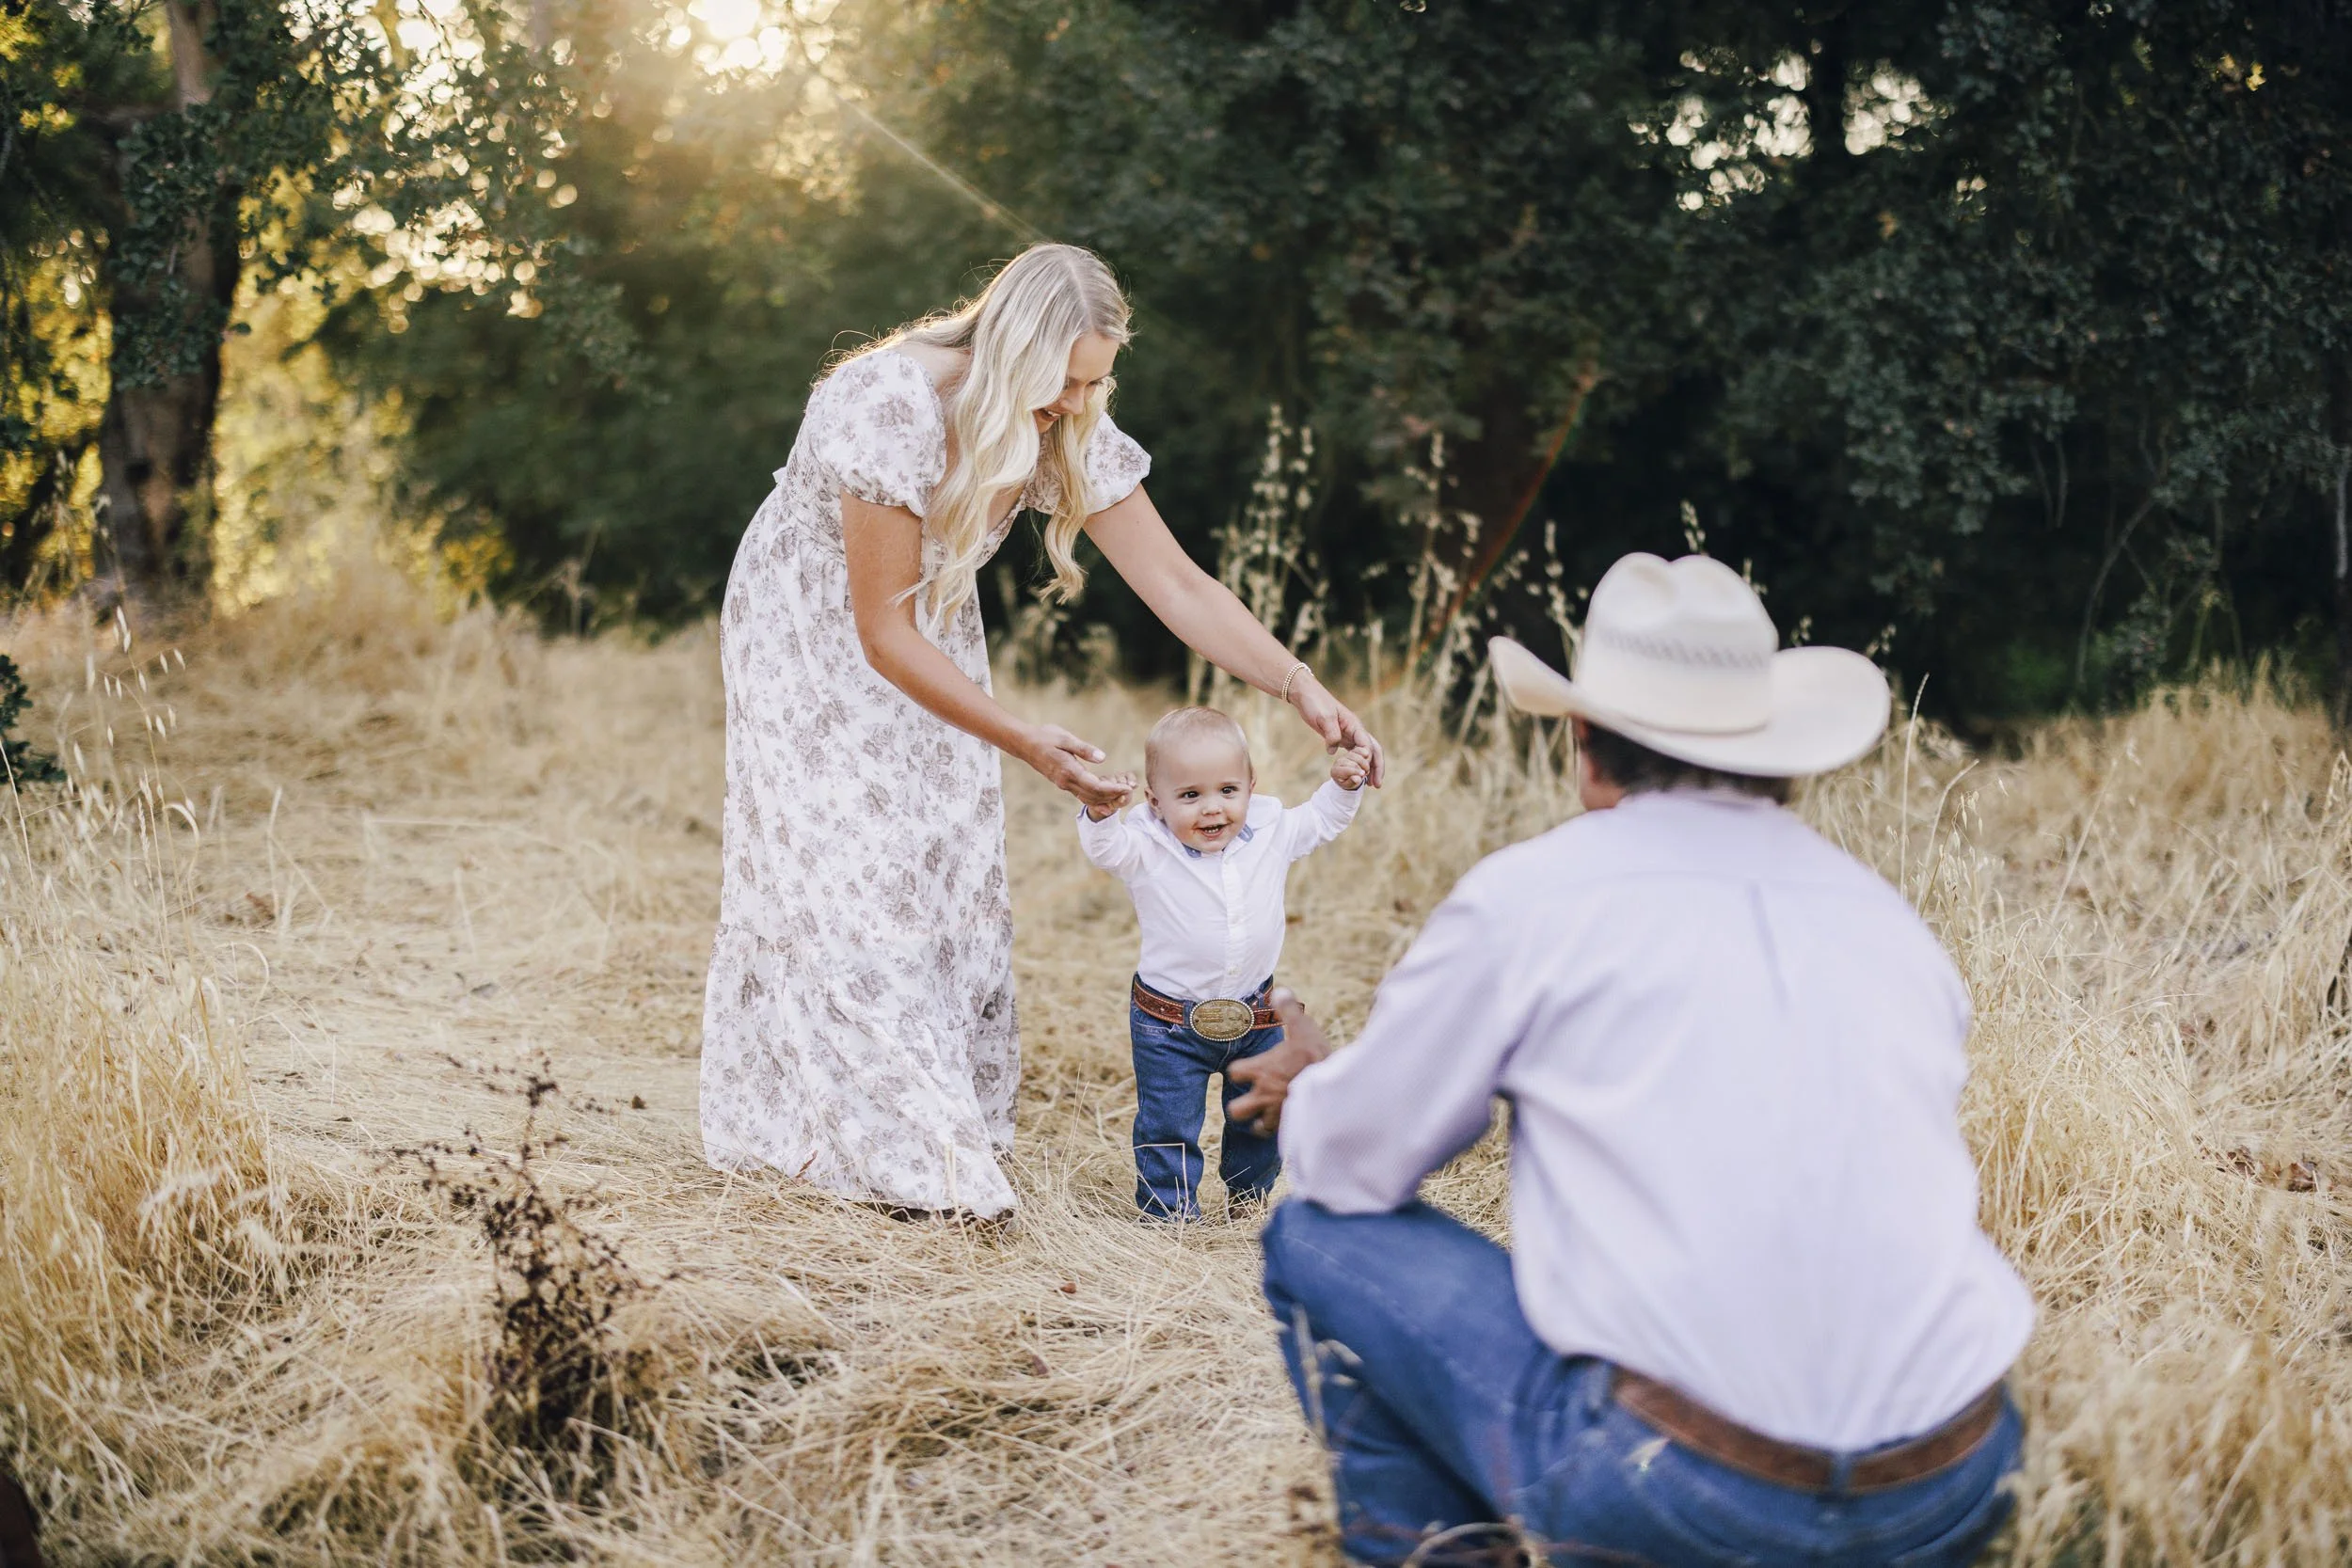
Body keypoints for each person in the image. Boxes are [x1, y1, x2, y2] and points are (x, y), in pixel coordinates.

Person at [1227, 553, 2037, 1566]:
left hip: (1685, 1487)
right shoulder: (1888, 922)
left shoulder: (1535, 896)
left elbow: (1353, 1164)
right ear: (1778, 754)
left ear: (1580, 739)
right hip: (1956, 1479)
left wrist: (1314, 1085)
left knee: (1316, 1238)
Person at [698, 244, 1382, 1220]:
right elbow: (878, 626)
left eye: (1095, 380)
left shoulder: (1070, 417)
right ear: (1010, 353)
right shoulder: (886, 401)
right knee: (849, 871)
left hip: (926, 622)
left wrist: (1300, 687)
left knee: (935, 861)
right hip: (811, 633)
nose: (1075, 402)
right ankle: (882, 1150)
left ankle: (927, 1122)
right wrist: (1021, 738)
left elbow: (1178, 583)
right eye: (1062, 381)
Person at [1075, 706, 1370, 1221]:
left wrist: (1343, 786)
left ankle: (1249, 1200)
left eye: (1227, 791)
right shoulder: (1147, 844)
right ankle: (1169, 1216)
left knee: (1262, 1117)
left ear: (1250, 787)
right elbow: (1108, 851)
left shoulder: (1271, 830)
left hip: (1256, 1017)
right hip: (1169, 1024)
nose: (1212, 809)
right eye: (1189, 796)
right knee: (1168, 1124)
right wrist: (1101, 815)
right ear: (1156, 801)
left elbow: (1320, 821)